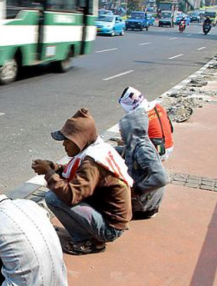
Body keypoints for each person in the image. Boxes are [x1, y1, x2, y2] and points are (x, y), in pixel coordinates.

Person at [32, 108, 133, 255]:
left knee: (54, 198)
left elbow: (71, 195)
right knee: (58, 193)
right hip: (108, 215)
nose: (64, 145)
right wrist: (55, 167)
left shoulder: (92, 162)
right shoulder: (96, 149)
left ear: (79, 140)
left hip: (111, 228)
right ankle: (88, 232)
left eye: (67, 141)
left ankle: (89, 240)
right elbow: (76, 171)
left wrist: (49, 173)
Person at [118, 107, 170, 219]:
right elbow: (125, 151)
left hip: (143, 205)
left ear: (130, 130)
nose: (120, 132)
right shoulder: (137, 142)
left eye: (122, 130)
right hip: (144, 201)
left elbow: (161, 178)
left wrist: (137, 189)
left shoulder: (143, 149)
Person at [118, 86, 174, 161]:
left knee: (118, 149)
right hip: (169, 146)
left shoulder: (137, 117)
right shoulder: (158, 106)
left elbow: (129, 142)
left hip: (154, 155)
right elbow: (170, 128)